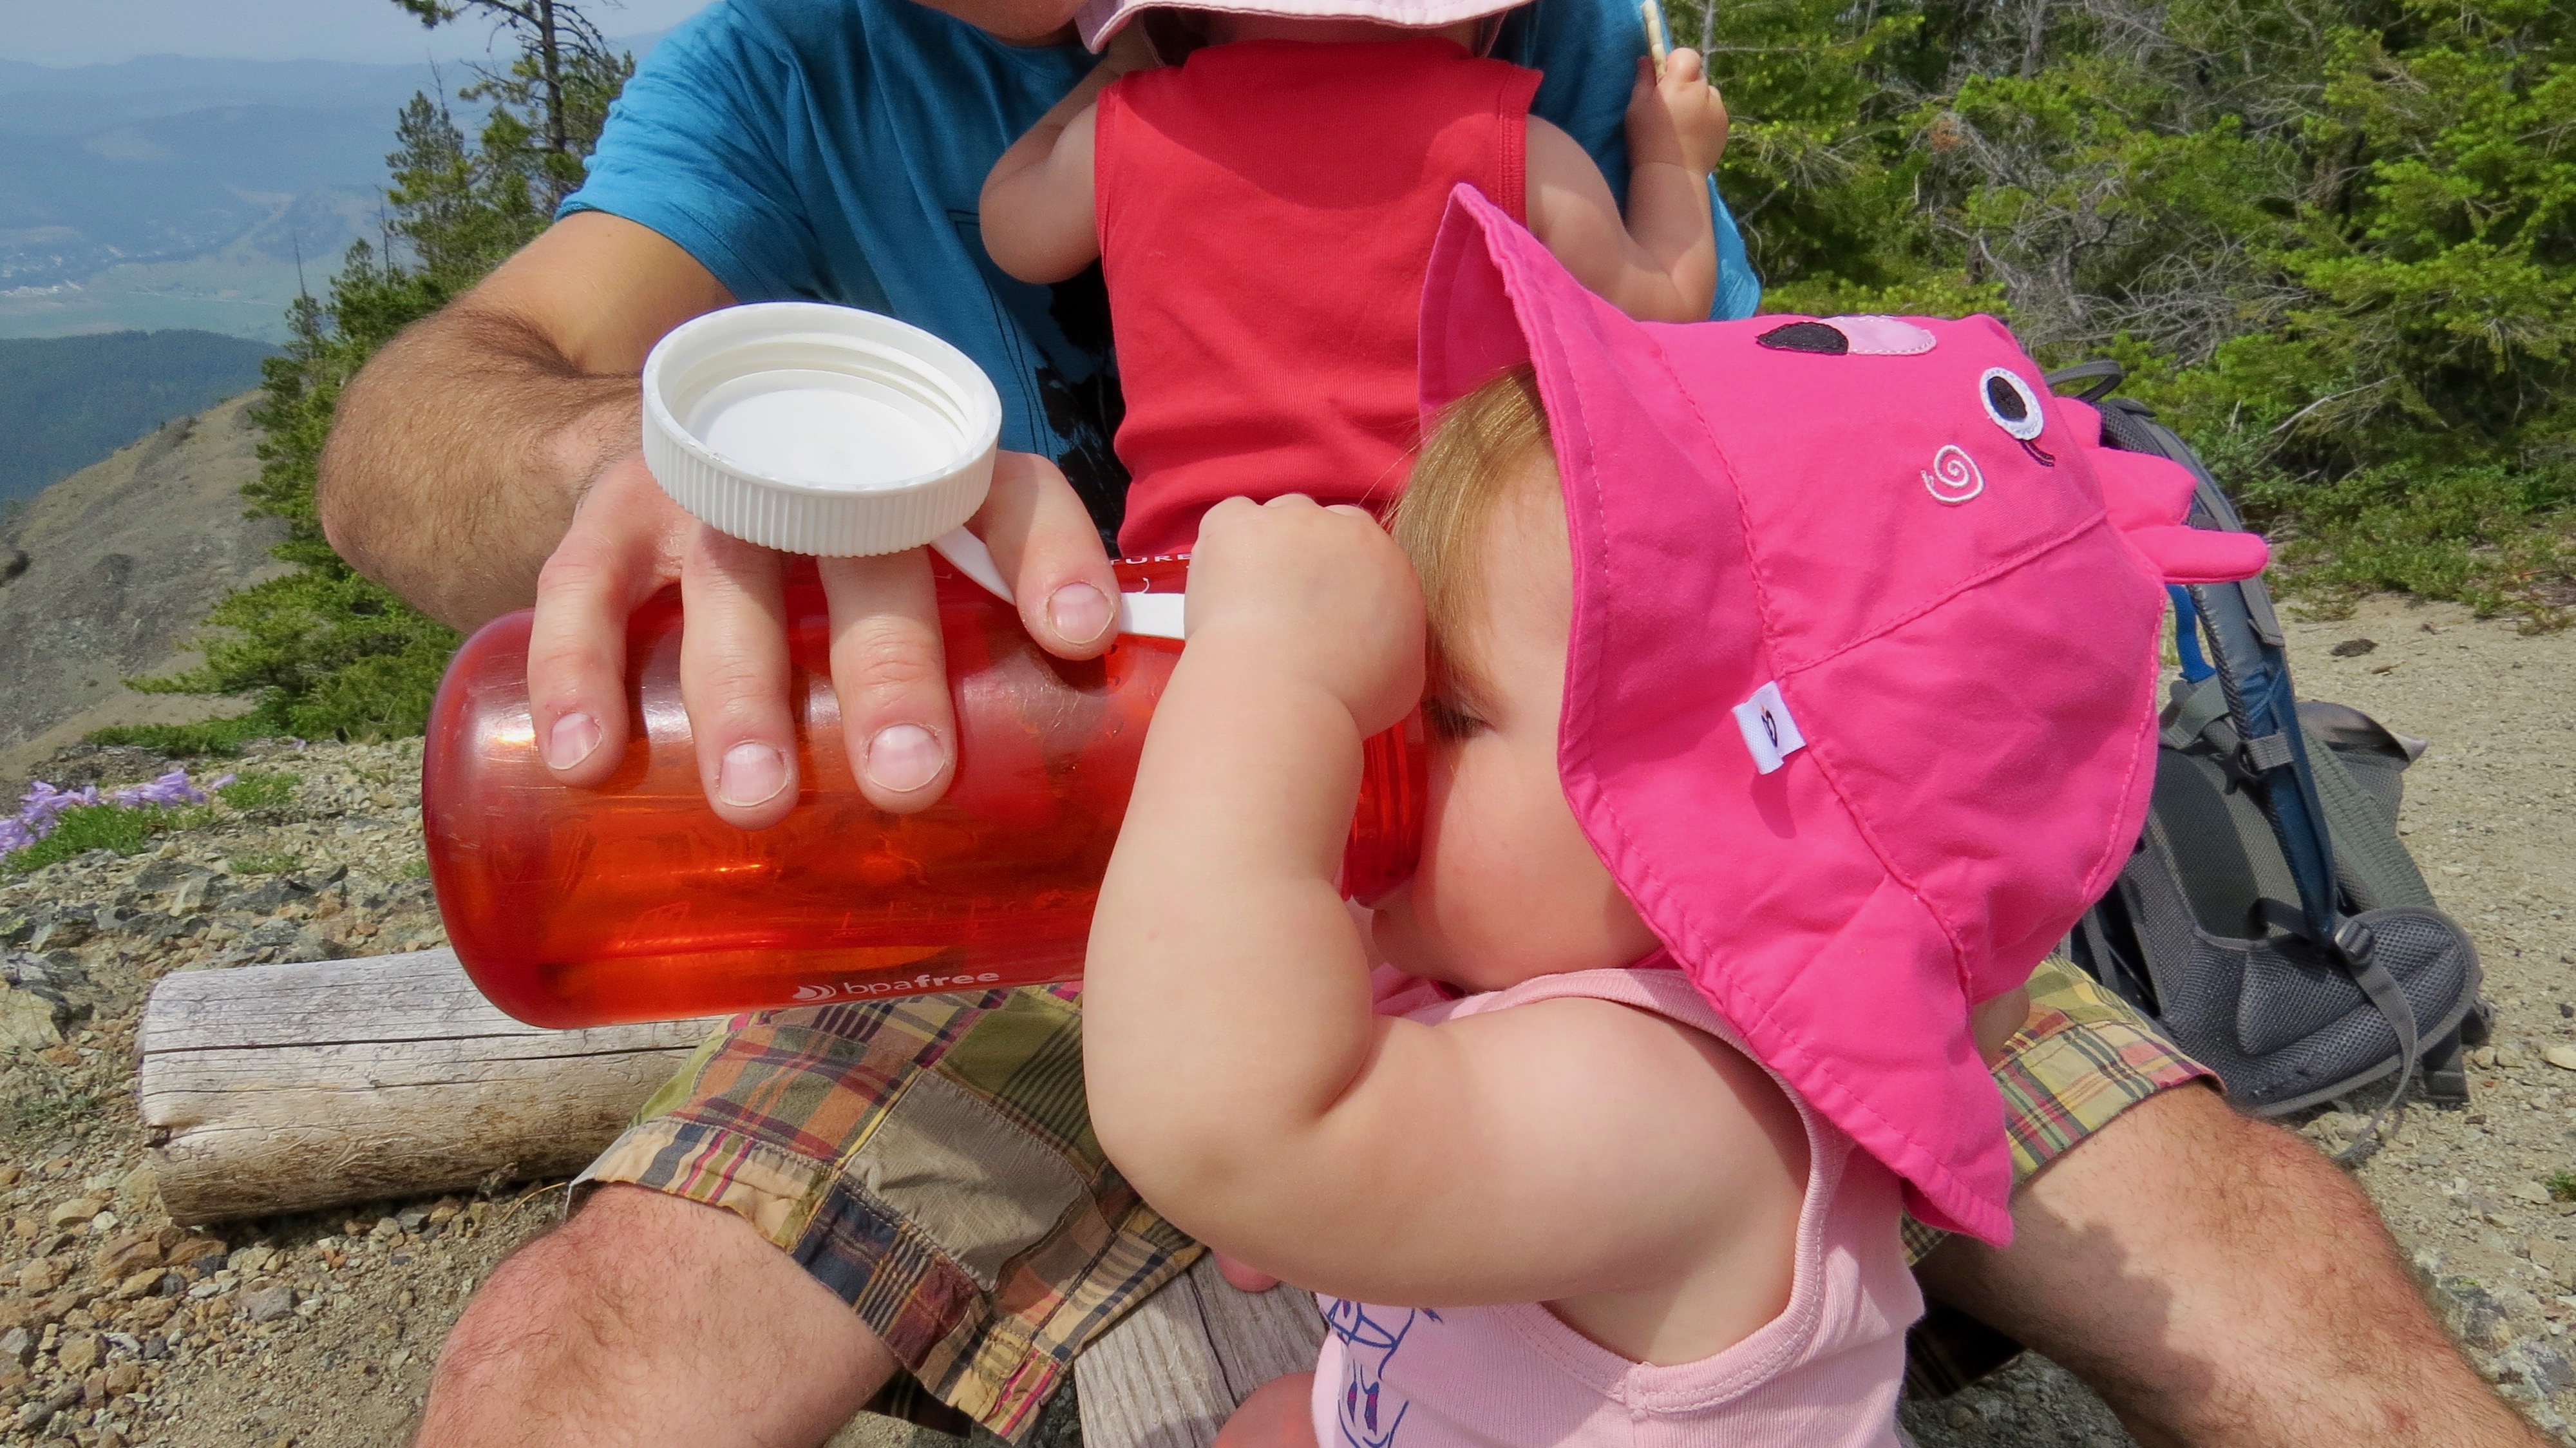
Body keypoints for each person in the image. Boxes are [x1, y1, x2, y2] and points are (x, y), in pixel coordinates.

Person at [310, 0, 2555, 1443]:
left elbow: (1748, 503)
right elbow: (412, 426)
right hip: (1021, 853)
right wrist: (616, 463)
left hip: (1602, 822)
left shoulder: (1516, 29)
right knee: (590, 1344)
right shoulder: (789, 69)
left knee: (2245, 1252)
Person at [1081, 176, 2252, 1441]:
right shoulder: (1620, 971)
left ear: (1706, 843)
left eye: (1450, 711)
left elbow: (1230, 1128)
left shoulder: (1673, 1106)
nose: (1386, 738)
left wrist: (1270, 675)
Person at [977, 0, 1727, 551]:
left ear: (1184, 18)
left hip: (1200, 577)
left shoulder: (1127, 134)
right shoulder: (1521, 152)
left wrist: (1113, 79)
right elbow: (1659, 311)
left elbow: (1010, 229)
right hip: (1447, 587)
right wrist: (1672, 159)